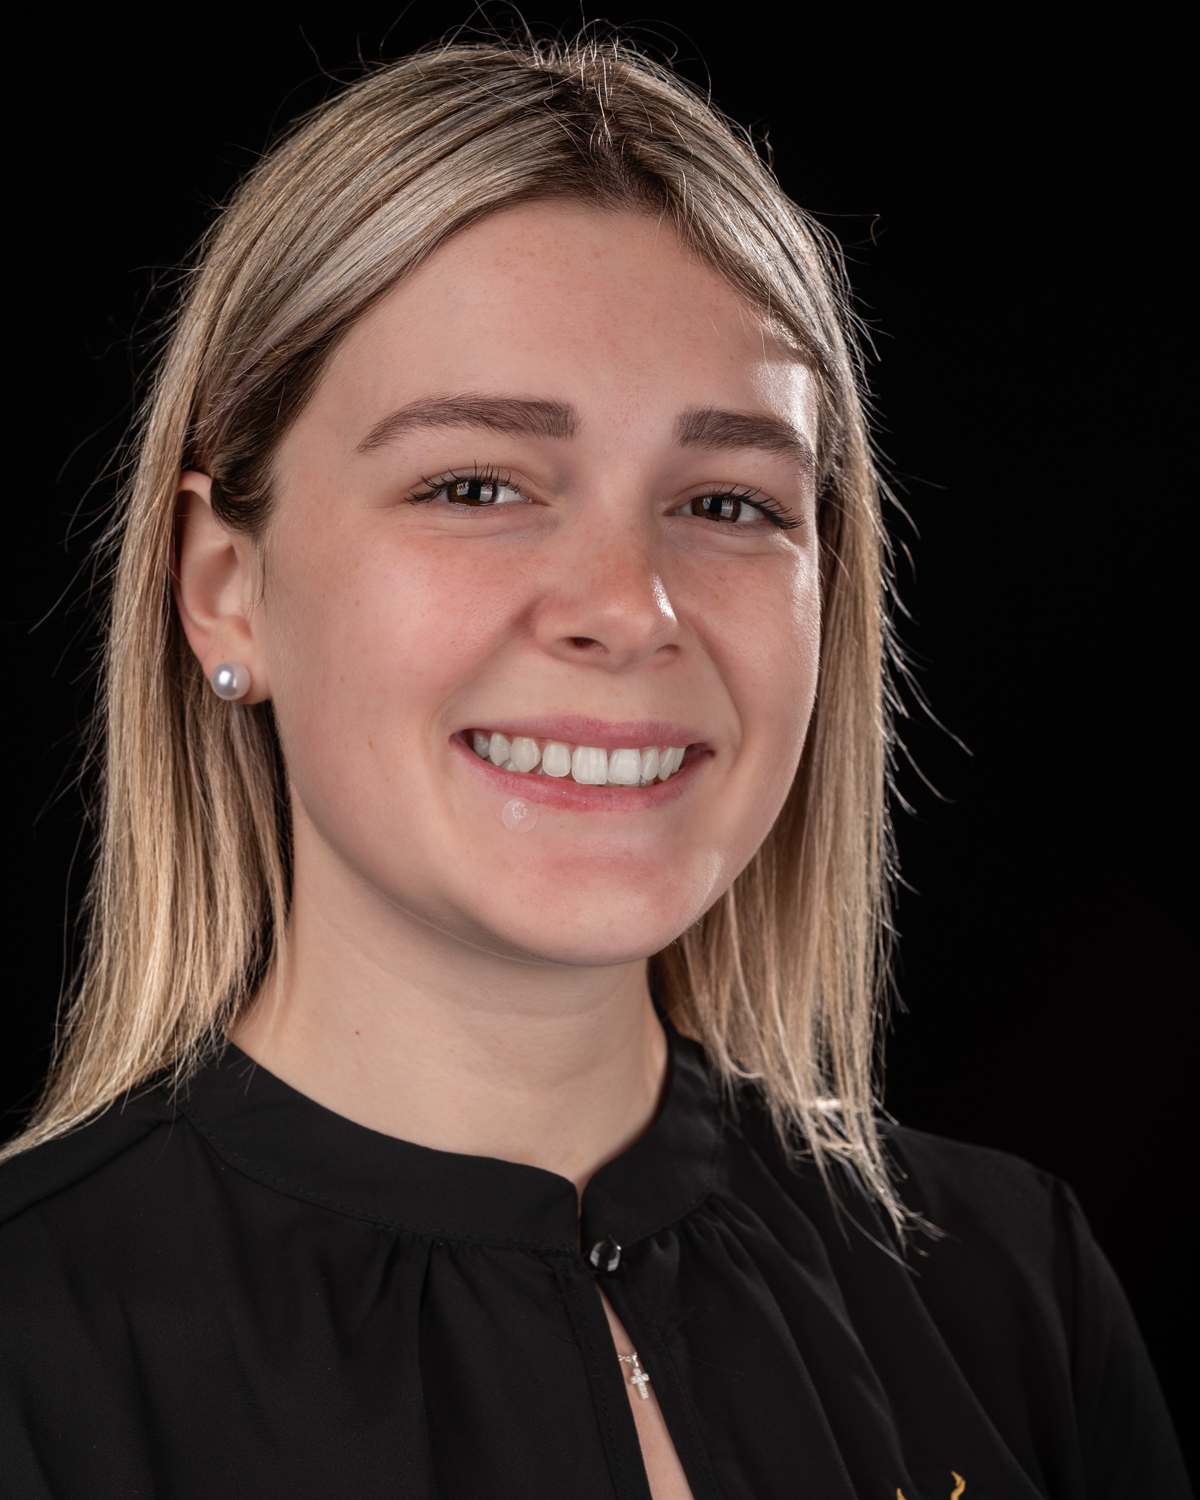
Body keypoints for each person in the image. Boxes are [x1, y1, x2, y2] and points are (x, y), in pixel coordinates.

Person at [0, 35, 1188, 1500]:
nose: (632, 608)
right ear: (223, 586)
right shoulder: (29, 1352)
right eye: (476, 485)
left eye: (729, 502)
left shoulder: (1014, 1294)